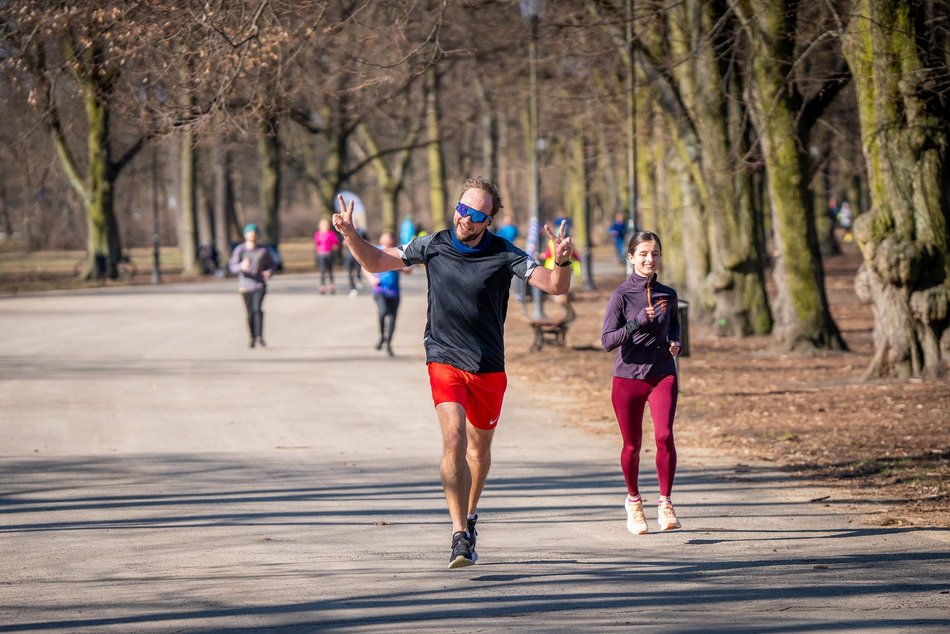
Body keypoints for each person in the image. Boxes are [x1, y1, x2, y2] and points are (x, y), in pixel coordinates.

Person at [333, 177, 573, 569]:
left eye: (477, 214)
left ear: (489, 220)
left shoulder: (504, 253)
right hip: (443, 358)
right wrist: (350, 234)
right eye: (463, 208)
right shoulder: (433, 244)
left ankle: (471, 514)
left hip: (489, 367)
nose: (466, 219)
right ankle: (459, 534)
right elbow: (376, 262)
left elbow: (554, 286)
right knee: (455, 438)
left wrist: (561, 260)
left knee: (480, 450)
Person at [601, 231, 682, 535]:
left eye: (656, 253)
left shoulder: (668, 294)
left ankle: (665, 502)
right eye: (644, 254)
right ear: (631, 257)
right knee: (632, 445)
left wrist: (675, 341)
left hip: (662, 372)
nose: (650, 259)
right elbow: (607, 341)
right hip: (628, 377)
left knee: (664, 436)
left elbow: (674, 324)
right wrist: (637, 323)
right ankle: (634, 501)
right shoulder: (621, 296)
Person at [228, 223, 277, 348]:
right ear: (245, 235)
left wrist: (269, 272)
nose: (252, 235)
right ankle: (252, 337)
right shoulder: (240, 250)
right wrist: (241, 266)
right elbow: (232, 267)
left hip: (259, 284)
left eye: (254, 232)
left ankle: (260, 336)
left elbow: (272, 264)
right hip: (245, 285)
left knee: (257, 310)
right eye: (250, 232)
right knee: (250, 313)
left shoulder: (263, 250)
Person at [367, 231, 410, 356]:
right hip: (380, 289)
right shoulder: (376, 251)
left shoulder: (397, 252)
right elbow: (364, 266)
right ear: (380, 240)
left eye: (389, 240)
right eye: (384, 239)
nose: (386, 241)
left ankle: (389, 344)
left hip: (394, 291)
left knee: (392, 319)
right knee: (383, 312)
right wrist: (371, 279)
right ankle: (382, 337)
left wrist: (409, 270)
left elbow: (404, 269)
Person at [314, 218, 341, 294]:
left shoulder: (331, 233)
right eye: (323, 224)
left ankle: (331, 285)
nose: (324, 226)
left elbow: (336, 243)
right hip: (321, 254)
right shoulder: (317, 234)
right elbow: (317, 244)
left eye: (326, 224)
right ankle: (322, 286)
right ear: (320, 226)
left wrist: (334, 246)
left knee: (330, 270)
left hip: (329, 254)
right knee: (322, 271)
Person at [344, 225, 369, 298]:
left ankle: (359, 278)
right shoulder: (343, 232)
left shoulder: (361, 232)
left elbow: (367, 241)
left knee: (358, 270)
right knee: (349, 273)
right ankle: (353, 288)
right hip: (348, 256)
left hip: (358, 256)